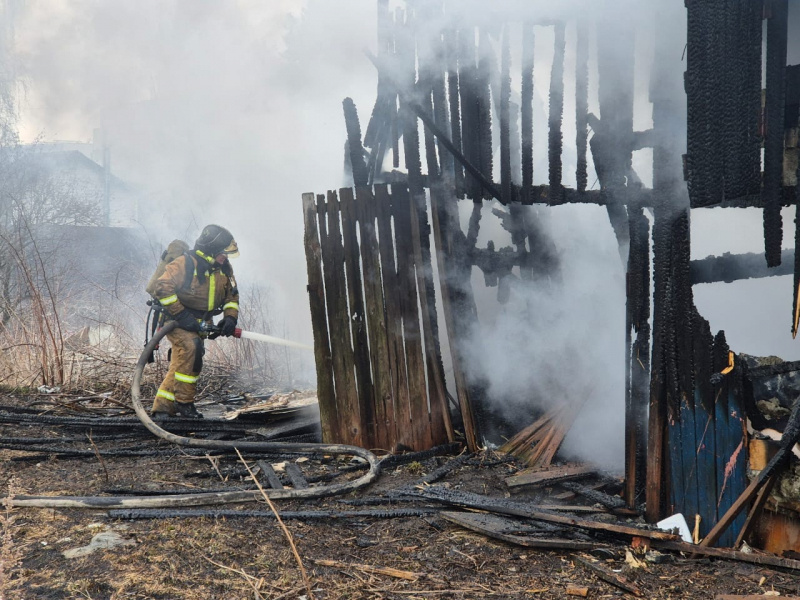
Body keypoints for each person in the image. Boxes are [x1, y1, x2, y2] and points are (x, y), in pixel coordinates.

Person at [150, 224, 240, 418]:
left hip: (200, 322)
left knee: (189, 359)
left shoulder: (224, 268)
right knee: (190, 348)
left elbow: (232, 297)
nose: (225, 258)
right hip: (175, 319)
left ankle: (164, 408)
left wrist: (230, 318)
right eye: (222, 253)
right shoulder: (185, 263)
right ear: (211, 250)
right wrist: (182, 315)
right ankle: (184, 403)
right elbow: (162, 287)